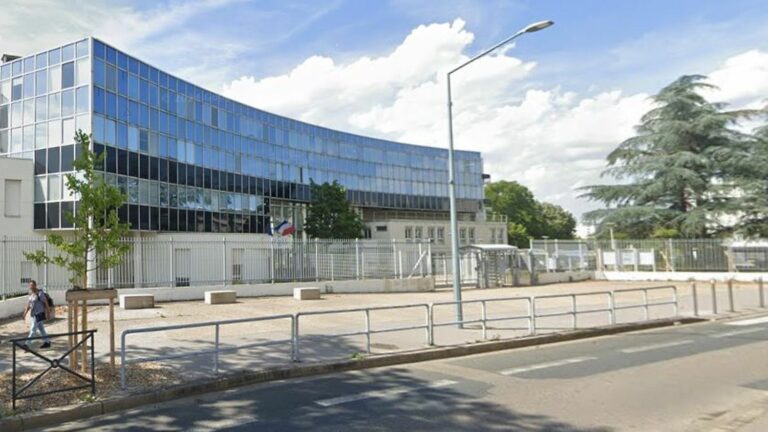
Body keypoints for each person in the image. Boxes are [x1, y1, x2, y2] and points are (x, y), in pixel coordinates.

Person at [22, 280, 52, 349]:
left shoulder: (40, 293)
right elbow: (29, 305)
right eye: (30, 285)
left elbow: (46, 302)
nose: (31, 287)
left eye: (32, 285)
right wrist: (25, 313)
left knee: (33, 329)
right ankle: (47, 342)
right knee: (41, 329)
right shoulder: (31, 294)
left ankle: (27, 344)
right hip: (34, 314)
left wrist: (48, 312)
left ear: (35, 285)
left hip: (39, 313)